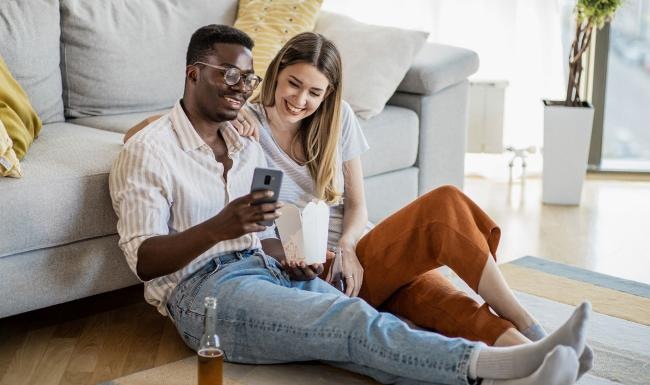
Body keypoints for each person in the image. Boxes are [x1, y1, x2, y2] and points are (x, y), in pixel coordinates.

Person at [110, 24, 591, 385]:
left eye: (246, 80)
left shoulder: (264, 137)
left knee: (398, 311)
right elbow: (148, 239)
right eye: (291, 84)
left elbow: (331, 214)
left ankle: (532, 356)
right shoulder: (227, 130)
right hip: (208, 290)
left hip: (286, 264)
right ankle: (512, 357)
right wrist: (226, 220)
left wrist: (336, 248)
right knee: (353, 319)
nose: (299, 99)